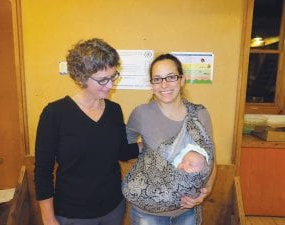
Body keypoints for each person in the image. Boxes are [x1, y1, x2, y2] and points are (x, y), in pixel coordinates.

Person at [34, 38, 139, 225]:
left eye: (113, 76)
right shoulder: (55, 114)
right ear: (81, 77)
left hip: (113, 209)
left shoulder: (114, 110)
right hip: (72, 215)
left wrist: (150, 143)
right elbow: (42, 171)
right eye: (102, 80)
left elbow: (122, 151)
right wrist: (48, 218)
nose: (110, 85)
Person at [125, 53, 217, 225]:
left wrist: (204, 193)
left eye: (171, 77)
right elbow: (123, 146)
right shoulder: (141, 114)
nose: (164, 85)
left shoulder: (199, 115)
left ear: (182, 80)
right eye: (157, 79)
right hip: (147, 212)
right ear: (151, 84)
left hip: (187, 209)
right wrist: (144, 147)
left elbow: (211, 160)